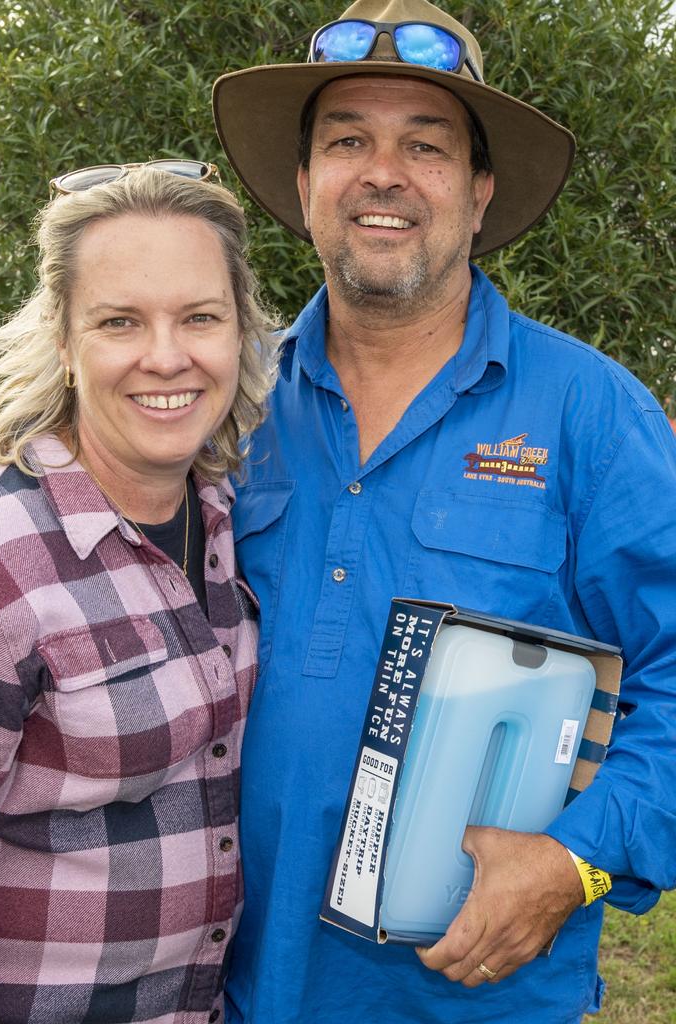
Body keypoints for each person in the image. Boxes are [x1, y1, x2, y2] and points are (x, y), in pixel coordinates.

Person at [211, 1, 676, 1021]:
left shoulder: (591, 414)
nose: (383, 173)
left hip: (475, 998)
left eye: (425, 144)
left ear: (479, 191)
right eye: (347, 142)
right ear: (304, 185)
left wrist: (573, 859)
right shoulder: (226, 406)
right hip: (235, 989)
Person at [0, 162, 278, 1023]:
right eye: (120, 322)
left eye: (200, 318)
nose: (166, 355)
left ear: (239, 332)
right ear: (66, 343)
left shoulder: (234, 523)